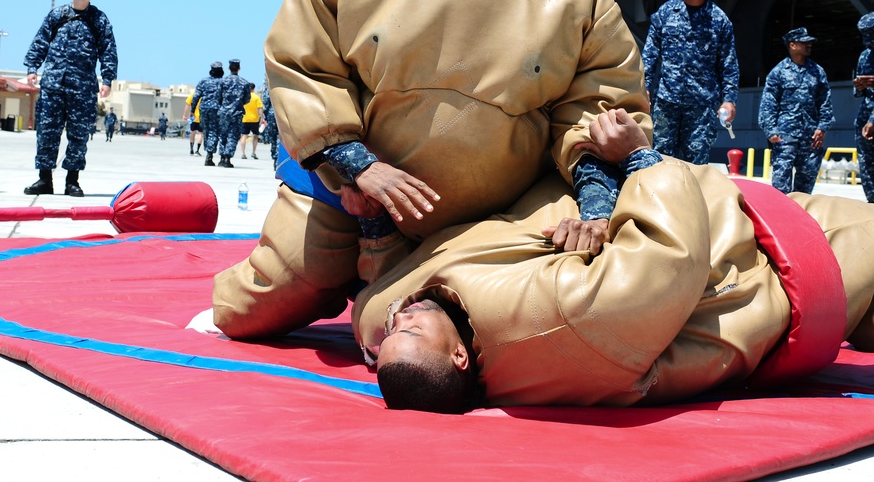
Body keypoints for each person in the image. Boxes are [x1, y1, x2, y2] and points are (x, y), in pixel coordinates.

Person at [210, 0, 650, 340]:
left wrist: (597, 209)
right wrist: (358, 166)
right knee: (253, 308)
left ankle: (387, 281)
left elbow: (596, 109)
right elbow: (306, 61)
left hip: (497, 212)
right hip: (351, 187)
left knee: (554, 308)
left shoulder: (572, 6)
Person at [354, 109, 874, 413]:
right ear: (460, 359)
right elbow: (670, 257)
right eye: (413, 331)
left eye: (393, 331)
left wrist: (375, 227)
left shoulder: (393, 318)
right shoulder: (565, 324)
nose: (403, 316)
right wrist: (637, 155)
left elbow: (374, 306)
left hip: (730, 212)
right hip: (769, 261)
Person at [23, 0, 117, 197]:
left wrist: (107, 79)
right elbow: (40, 41)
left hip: (83, 88)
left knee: (79, 134)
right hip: (53, 85)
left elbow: (108, 49)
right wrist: (32, 68)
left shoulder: (99, 19)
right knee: (47, 132)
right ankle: (44, 179)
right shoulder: (57, 15)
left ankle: (72, 181)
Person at [642, 0, 739, 164]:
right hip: (667, 101)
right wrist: (643, 86)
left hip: (701, 104)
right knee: (661, 156)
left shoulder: (719, 19)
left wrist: (729, 99)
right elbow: (650, 54)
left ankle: (691, 196)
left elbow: (728, 62)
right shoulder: (665, 13)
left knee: (696, 160)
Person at [758, 27, 835, 195]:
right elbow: (768, 104)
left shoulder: (817, 71)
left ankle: (800, 216)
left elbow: (825, 101)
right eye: (804, 42)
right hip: (784, 136)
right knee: (781, 182)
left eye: (810, 42)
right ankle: (780, 216)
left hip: (810, 136)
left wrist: (822, 127)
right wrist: (770, 130)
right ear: (792, 45)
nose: (809, 45)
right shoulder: (778, 72)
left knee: (806, 181)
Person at [852, 12, 874, 203]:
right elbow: (860, 91)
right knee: (867, 166)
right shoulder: (865, 55)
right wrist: (859, 86)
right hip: (865, 116)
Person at [217, 59, 250, 167]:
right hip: (237, 113)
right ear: (239, 68)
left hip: (223, 112)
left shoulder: (222, 81)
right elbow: (247, 99)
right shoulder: (244, 83)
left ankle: (222, 157)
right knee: (233, 135)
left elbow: (218, 97)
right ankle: (227, 158)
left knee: (223, 135)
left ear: (229, 68)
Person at [193, 61, 225, 166]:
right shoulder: (223, 82)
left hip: (205, 109)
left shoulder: (203, 81)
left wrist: (192, 110)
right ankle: (220, 156)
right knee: (217, 132)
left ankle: (209, 154)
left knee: (207, 132)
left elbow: (196, 97)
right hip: (218, 109)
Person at [239, 82, 264, 160]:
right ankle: (253, 152)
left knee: (243, 135)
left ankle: (243, 153)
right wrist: (262, 118)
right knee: (255, 136)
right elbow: (259, 109)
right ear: (253, 88)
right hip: (254, 119)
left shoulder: (244, 97)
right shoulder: (256, 97)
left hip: (244, 118)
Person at [258, 80, 279, 171]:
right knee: (282, 137)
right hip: (284, 114)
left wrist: (264, 115)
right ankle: (279, 158)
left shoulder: (270, 82)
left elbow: (266, 100)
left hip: (272, 114)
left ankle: (275, 158)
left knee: (274, 137)